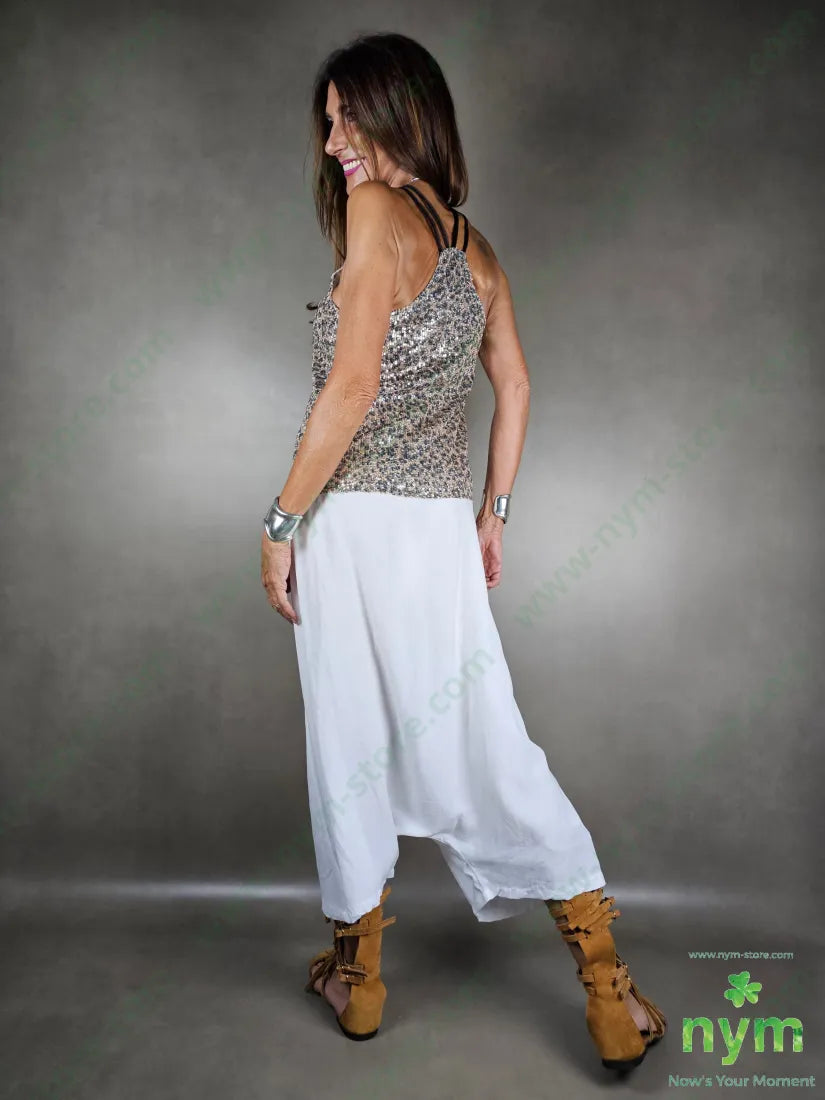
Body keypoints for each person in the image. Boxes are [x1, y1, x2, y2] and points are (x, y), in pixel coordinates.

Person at [260, 32, 666, 1071]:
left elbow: (352, 387)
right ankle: (606, 984)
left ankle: (361, 981)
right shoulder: (476, 252)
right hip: (438, 532)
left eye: (347, 118)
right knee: (487, 738)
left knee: (348, 743)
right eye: (328, 120)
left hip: (351, 527)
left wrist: (280, 522)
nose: (332, 140)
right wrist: (495, 514)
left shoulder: (372, 211)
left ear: (401, 113)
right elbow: (515, 382)